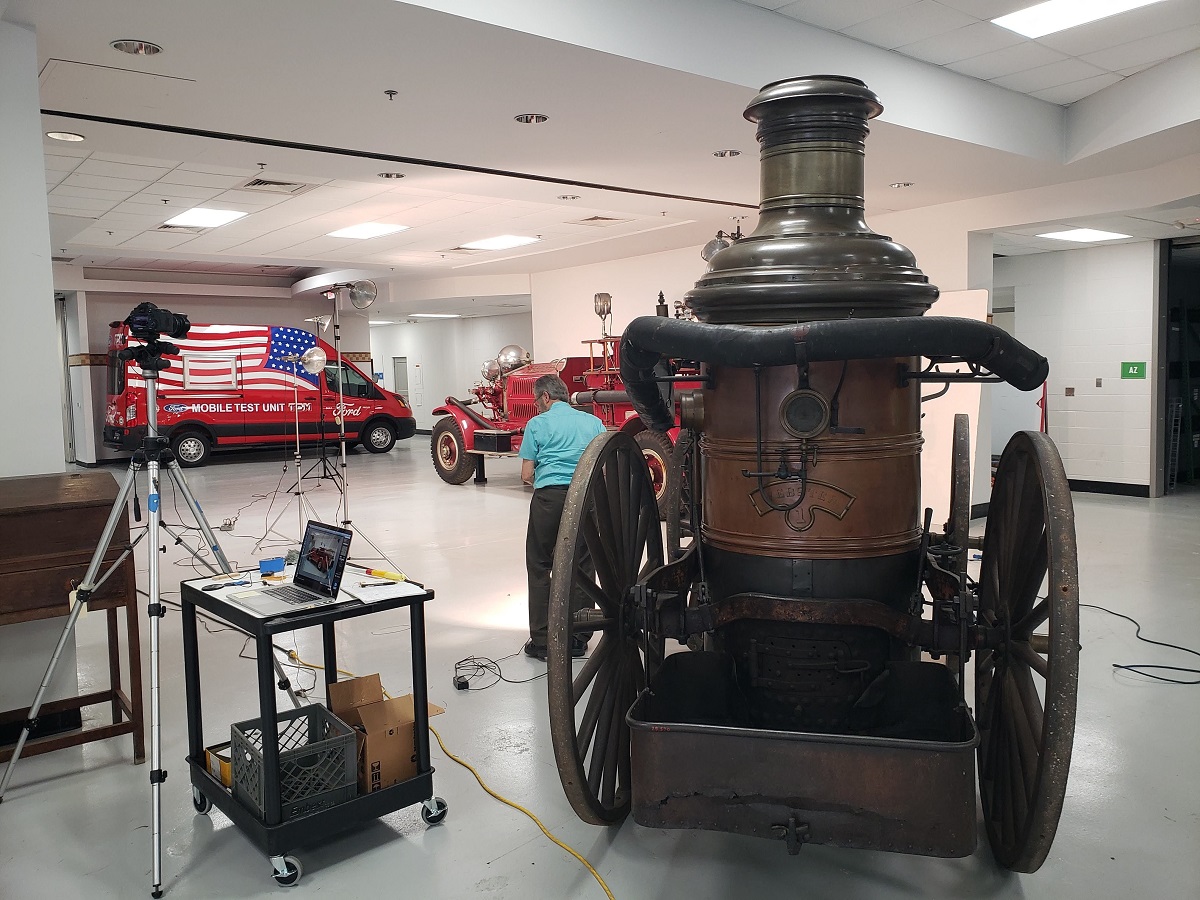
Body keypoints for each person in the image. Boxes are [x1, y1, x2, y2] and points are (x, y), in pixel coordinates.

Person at [519, 373, 606, 661]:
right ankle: (579, 637)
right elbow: (603, 465)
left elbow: (526, 474)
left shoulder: (537, 424)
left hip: (550, 499)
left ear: (545, 397)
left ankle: (543, 640)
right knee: (582, 563)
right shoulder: (592, 422)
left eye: (536, 400)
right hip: (585, 497)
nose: (536, 405)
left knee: (541, 564)